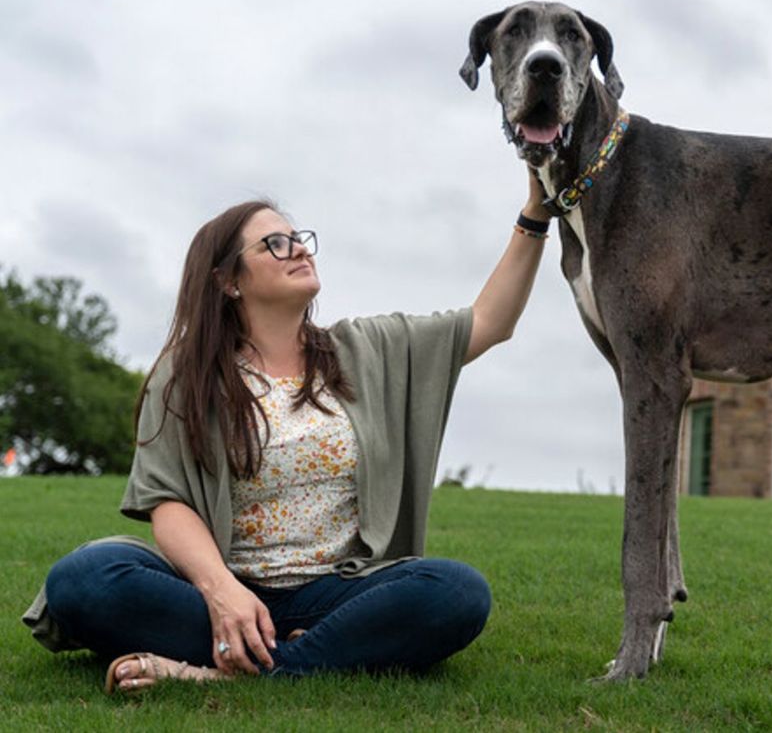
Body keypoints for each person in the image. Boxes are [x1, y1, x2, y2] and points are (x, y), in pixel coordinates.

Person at [26, 170, 553, 691]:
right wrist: (222, 592)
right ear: (228, 281)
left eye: (299, 240)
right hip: (220, 589)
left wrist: (535, 214)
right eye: (274, 244)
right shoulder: (186, 373)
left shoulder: (368, 349)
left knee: (456, 591)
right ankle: (298, 649)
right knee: (83, 578)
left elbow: (490, 322)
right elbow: (168, 502)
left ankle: (226, 673)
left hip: (338, 593)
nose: (299, 250)